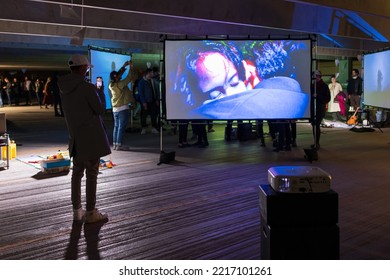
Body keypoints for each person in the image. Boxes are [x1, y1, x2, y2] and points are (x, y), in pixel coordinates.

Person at [58, 54, 110, 224]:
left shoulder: (63, 88)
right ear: (81, 68)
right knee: (92, 174)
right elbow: (99, 110)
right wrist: (100, 93)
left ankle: (76, 211)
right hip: (91, 138)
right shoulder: (88, 88)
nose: (87, 70)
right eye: (87, 68)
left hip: (76, 139)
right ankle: (90, 212)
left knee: (77, 174)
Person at [108, 60, 136, 150]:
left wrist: (124, 66)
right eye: (118, 77)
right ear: (116, 78)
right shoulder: (120, 84)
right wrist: (131, 67)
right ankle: (119, 145)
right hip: (122, 108)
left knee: (116, 126)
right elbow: (129, 77)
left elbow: (117, 75)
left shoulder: (111, 85)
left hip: (115, 109)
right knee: (121, 127)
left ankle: (115, 144)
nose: (120, 77)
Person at [311, 70, 331, 150]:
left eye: (316, 77)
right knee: (314, 125)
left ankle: (317, 143)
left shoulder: (324, 86)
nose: (315, 78)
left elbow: (327, 98)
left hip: (320, 108)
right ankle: (315, 142)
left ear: (319, 77)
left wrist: (318, 96)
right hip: (313, 108)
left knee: (317, 125)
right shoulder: (312, 85)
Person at [138, 68, 159, 134]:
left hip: (152, 101)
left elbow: (155, 91)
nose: (152, 74)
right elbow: (141, 93)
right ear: (148, 73)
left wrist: (156, 99)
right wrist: (143, 102)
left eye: (152, 73)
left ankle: (154, 128)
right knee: (144, 115)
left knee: (154, 115)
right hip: (145, 102)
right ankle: (144, 128)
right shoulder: (141, 82)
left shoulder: (152, 81)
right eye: (151, 73)